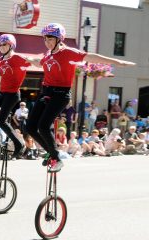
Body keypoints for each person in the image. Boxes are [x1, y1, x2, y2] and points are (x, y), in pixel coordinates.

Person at [25, 23, 135, 171]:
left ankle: (57, 159)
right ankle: (51, 153)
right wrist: (28, 59)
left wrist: (117, 61)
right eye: (45, 40)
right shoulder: (48, 54)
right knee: (30, 127)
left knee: (43, 126)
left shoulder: (68, 52)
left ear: (59, 39)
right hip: (46, 92)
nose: (47, 43)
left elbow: (91, 56)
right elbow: (40, 63)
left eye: (50, 39)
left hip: (61, 94)